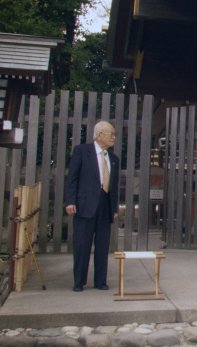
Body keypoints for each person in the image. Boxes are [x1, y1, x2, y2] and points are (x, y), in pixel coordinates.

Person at [64, 121, 119, 291]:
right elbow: (72, 178)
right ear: (99, 134)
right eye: (111, 134)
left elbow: (114, 186)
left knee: (103, 245)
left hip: (105, 205)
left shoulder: (114, 158)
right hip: (85, 205)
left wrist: (114, 208)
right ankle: (79, 281)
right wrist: (70, 201)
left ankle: (100, 281)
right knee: (82, 244)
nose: (113, 138)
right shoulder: (82, 151)